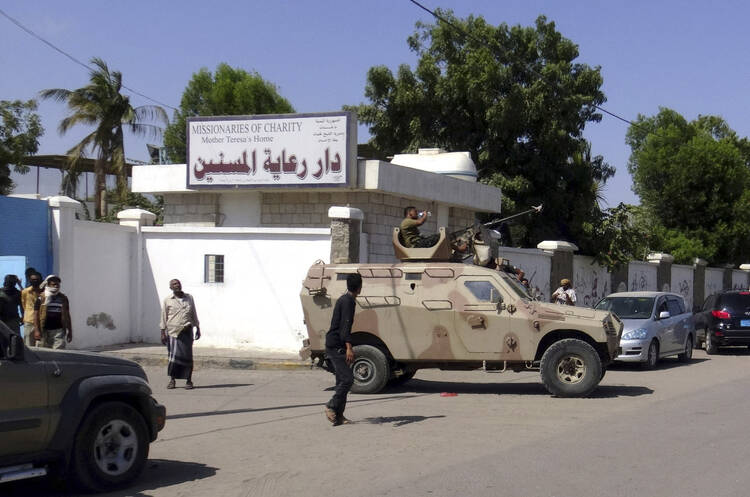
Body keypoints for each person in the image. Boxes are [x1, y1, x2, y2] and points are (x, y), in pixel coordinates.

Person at [324, 273, 362, 426]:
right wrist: (349, 348)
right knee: (348, 379)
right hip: (336, 345)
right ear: (360, 288)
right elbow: (345, 328)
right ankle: (331, 406)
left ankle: (338, 417)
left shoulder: (344, 299)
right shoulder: (348, 302)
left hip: (334, 343)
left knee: (341, 381)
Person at [160, 279, 200, 390]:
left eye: (178, 283)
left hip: (187, 332)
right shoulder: (168, 300)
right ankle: (172, 380)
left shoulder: (189, 298)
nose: (177, 285)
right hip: (173, 333)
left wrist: (197, 327)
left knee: (188, 357)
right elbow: (163, 316)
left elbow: (193, 313)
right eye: (174, 284)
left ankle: (189, 380)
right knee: (173, 358)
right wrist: (162, 332)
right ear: (171, 288)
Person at [33, 275, 73, 348]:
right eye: (53, 284)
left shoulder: (63, 298)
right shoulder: (41, 298)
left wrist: (70, 331)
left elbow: (67, 315)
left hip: (59, 330)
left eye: (57, 284)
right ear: (48, 285)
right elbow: (36, 315)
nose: (56, 286)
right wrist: (36, 330)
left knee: (59, 353)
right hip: (43, 330)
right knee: (43, 353)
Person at [21, 271, 42, 346]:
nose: (35, 281)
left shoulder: (44, 292)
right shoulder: (25, 292)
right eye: (32, 280)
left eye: (36, 279)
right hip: (29, 321)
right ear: (29, 280)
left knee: (41, 345)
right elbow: (24, 305)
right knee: (28, 344)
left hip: (41, 321)